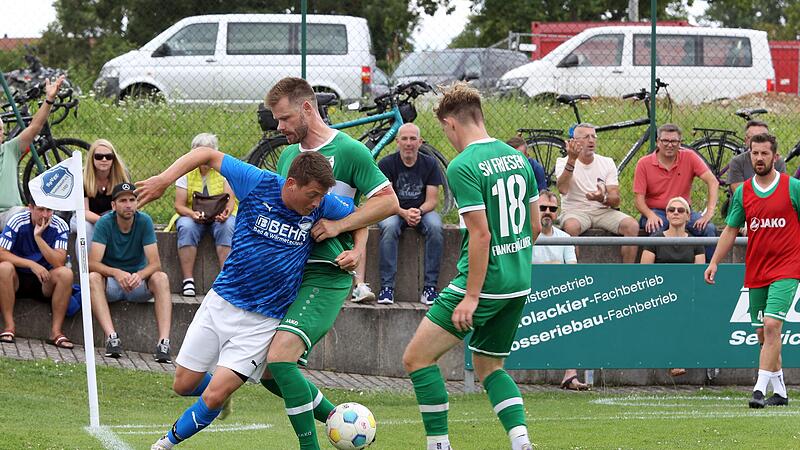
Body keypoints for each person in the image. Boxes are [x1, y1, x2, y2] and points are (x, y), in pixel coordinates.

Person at [135, 149, 354, 450]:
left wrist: (353, 245)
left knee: (212, 396)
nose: (318, 203)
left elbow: (368, 212)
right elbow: (205, 154)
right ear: (291, 183)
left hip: (263, 322)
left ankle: (164, 444)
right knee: (183, 384)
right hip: (221, 302)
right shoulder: (257, 182)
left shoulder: (323, 204)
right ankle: (220, 395)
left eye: (321, 197)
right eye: (313, 194)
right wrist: (163, 179)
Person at [260, 77, 398, 450]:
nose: (280, 127)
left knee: (281, 359)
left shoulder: (349, 151)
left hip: (327, 275)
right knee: (270, 373)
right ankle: (345, 421)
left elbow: (386, 202)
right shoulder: (289, 157)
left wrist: (348, 234)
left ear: (307, 108)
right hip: (291, 274)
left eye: (285, 118)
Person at [402, 82, 540, 450]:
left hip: (484, 284)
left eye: (444, 131)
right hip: (519, 280)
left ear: (450, 124)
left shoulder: (464, 165)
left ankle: (438, 445)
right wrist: (513, 260)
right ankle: (521, 441)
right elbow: (537, 225)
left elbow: (481, 236)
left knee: (417, 358)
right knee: (489, 367)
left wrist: (472, 297)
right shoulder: (518, 158)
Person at [705, 133, 797, 408]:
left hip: (787, 267)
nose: (758, 158)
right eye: (754, 153)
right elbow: (732, 229)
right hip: (756, 270)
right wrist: (714, 262)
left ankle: (758, 389)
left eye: (764, 153)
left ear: (775, 157)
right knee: (762, 334)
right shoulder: (744, 191)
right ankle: (780, 391)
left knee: (772, 325)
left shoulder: (793, 187)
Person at [88, 183, 172, 362]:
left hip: (137, 284)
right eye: (123, 200)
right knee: (93, 278)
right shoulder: (104, 223)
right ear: (113, 205)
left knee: (161, 278)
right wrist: (116, 272)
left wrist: (140, 275)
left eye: (132, 200)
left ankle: (164, 342)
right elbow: (92, 264)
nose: (128, 205)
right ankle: (112, 338)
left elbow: (155, 264)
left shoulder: (144, 221)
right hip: (112, 284)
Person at [376, 123, 444, 305]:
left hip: (421, 210)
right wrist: (403, 212)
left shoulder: (430, 164)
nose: (408, 143)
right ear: (397, 141)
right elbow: (384, 200)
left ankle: (430, 288)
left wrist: (418, 211)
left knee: (436, 227)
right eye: (404, 139)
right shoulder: (386, 164)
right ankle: (387, 288)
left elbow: (432, 200)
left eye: (413, 138)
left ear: (420, 142)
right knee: (389, 227)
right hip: (394, 210)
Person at [554, 123, 639, 263]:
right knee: (571, 227)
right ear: (574, 141)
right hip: (575, 211)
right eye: (586, 137)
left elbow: (616, 199)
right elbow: (562, 189)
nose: (591, 140)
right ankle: (573, 275)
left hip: (602, 211)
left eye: (594, 136)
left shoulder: (607, 162)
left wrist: (603, 198)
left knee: (632, 225)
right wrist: (571, 159)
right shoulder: (562, 162)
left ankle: (627, 274)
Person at [641, 196, 705, 377]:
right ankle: (674, 360)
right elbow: (644, 273)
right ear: (667, 215)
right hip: (659, 295)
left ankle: (678, 359)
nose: (675, 213)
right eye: (671, 210)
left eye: (680, 210)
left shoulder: (695, 243)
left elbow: (698, 273)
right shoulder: (655, 240)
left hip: (685, 295)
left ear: (688, 216)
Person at [165, 133, 237, 297]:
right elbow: (179, 205)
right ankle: (188, 280)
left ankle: (225, 278)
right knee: (186, 226)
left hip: (219, 216)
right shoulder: (185, 173)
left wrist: (225, 214)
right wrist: (193, 214)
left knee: (227, 226)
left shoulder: (224, 170)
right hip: (193, 215)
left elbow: (230, 201)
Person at [633, 124, 718, 259]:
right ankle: (656, 275)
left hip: (683, 210)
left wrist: (709, 212)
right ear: (657, 142)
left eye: (674, 141)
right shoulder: (644, 163)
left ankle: (708, 273)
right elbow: (638, 200)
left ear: (680, 143)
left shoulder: (689, 157)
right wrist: (649, 215)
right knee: (657, 231)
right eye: (665, 141)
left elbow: (713, 181)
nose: (669, 145)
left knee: (708, 230)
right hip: (656, 212)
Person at [532, 191, 588, 391]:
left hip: (557, 295)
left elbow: (571, 270)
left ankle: (570, 375)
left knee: (578, 314)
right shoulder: (524, 235)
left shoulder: (565, 237)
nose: (548, 212)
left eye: (552, 209)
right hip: (528, 295)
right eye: (543, 208)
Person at [0, 200, 73, 347]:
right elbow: (2, 253)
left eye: (49, 210)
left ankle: (56, 332)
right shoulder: (17, 221)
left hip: (45, 280)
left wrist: (38, 238)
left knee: (66, 274)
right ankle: (9, 327)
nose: (45, 215)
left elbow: (59, 262)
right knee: (4, 268)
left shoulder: (60, 225)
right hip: (17, 277)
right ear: (30, 208)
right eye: (41, 209)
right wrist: (31, 264)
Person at [0, 76, 65, 231]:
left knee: (43, 216)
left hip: (10, 213)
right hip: (12, 216)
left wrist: (49, 99)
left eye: (0, 129)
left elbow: (35, 126)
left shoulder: (11, 149)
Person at [70, 138, 130, 245]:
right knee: (87, 228)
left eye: (108, 156)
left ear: (113, 159)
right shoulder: (82, 176)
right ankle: (86, 262)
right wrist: (103, 221)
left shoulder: (121, 176)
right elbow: (83, 211)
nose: (104, 159)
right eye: (98, 156)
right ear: (92, 158)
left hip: (110, 216)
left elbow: (125, 205)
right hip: (83, 217)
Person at [727, 120, 786, 193]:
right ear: (746, 140)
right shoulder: (737, 162)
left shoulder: (778, 161)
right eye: (754, 138)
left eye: (763, 137)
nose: (759, 142)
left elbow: (781, 191)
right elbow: (740, 195)